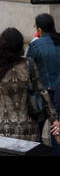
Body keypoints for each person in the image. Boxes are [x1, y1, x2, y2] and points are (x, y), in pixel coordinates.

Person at [0, 27, 60, 144]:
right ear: (20, 46)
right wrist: (54, 119)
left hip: (3, 129)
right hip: (28, 129)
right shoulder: (29, 64)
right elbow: (42, 92)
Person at [28, 14, 60, 155]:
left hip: (41, 95)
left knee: (37, 131)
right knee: (57, 130)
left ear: (39, 29)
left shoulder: (35, 45)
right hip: (58, 94)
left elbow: (27, 68)